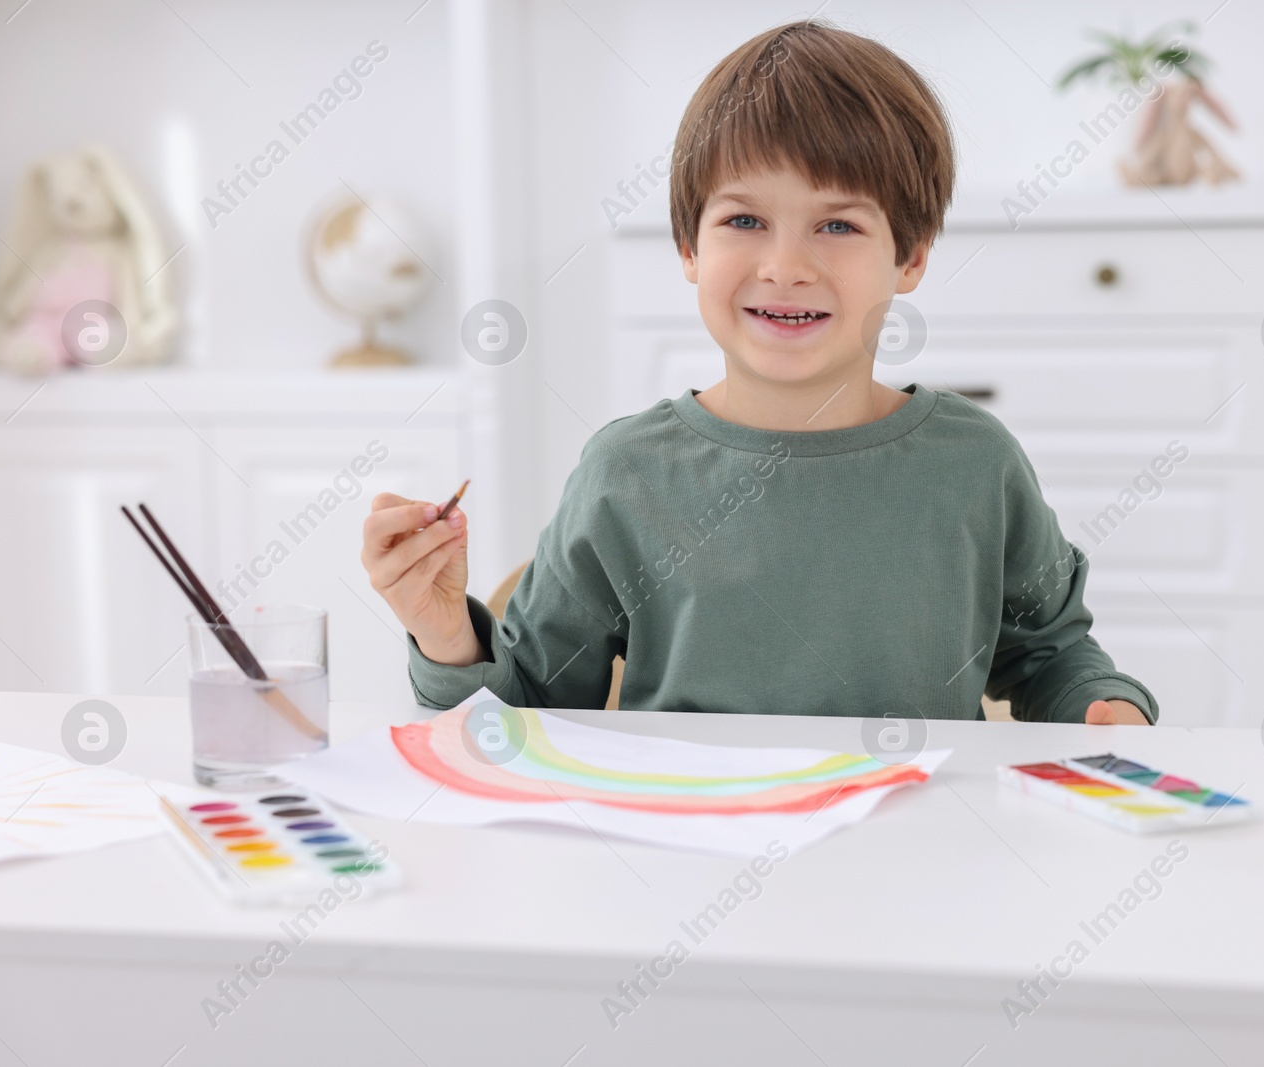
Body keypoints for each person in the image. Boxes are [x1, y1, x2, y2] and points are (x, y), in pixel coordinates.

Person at [360, 20, 1156, 725]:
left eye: (838, 224)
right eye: (744, 220)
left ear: (909, 257)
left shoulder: (978, 464)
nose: (786, 265)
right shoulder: (625, 476)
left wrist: (1103, 708)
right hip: (686, 856)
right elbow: (523, 716)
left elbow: (1050, 655)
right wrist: (443, 630)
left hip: (920, 865)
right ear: (689, 250)